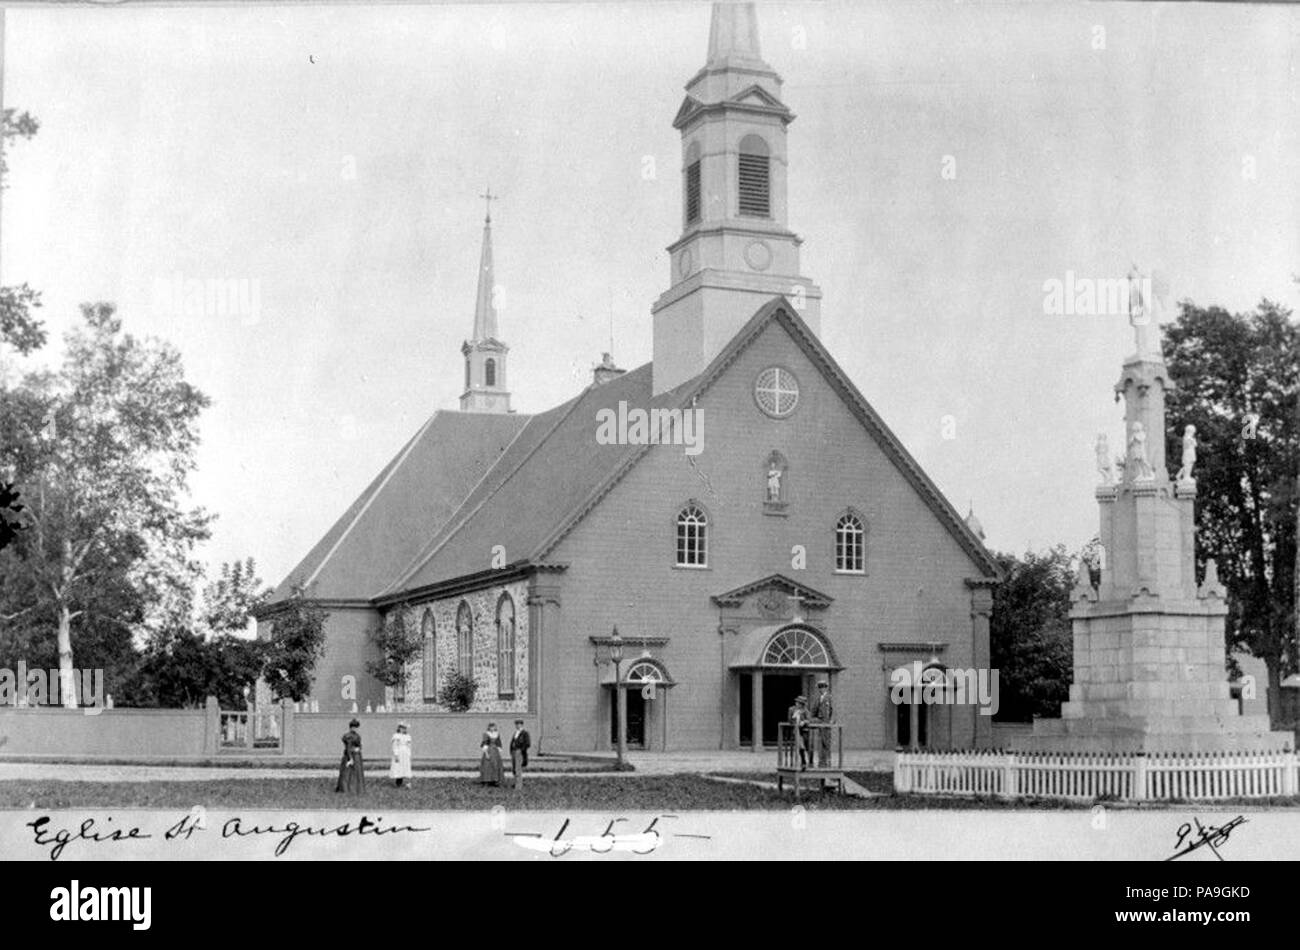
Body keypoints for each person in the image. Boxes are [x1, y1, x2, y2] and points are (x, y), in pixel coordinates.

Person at [335, 718, 365, 795]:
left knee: (356, 773)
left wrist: (359, 749)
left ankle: (357, 789)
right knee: (347, 773)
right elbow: (348, 748)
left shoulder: (357, 736)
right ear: (350, 727)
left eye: (356, 727)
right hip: (351, 756)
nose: (355, 729)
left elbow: (359, 745)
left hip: (357, 756)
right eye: (353, 727)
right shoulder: (348, 736)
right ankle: (346, 788)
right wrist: (350, 758)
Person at [786, 696, 809, 770]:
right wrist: (795, 718)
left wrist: (804, 722)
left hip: (804, 730)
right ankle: (803, 761)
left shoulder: (805, 710)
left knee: (805, 746)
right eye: (797, 703)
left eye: (800, 704)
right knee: (801, 745)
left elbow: (809, 719)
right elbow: (789, 720)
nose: (798, 705)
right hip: (796, 730)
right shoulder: (791, 709)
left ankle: (806, 761)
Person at [509, 719, 531, 790]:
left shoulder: (525, 733)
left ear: (522, 725)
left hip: (519, 752)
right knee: (514, 769)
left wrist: (521, 750)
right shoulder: (515, 733)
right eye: (516, 724)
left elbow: (527, 743)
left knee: (518, 769)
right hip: (514, 751)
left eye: (519, 724)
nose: (517, 725)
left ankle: (518, 786)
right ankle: (516, 783)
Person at [390, 722, 412, 789]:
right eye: (402, 728)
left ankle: (407, 782)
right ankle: (398, 782)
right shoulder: (396, 736)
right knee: (398, 767)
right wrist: (396, 754)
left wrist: (409, 754)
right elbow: (395, 746)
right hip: (399, 752)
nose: (403, 729)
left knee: (405, 766)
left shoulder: (407, 736)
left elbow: (409, 746)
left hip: (405, 753)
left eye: (405, 728)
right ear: (399, 728)